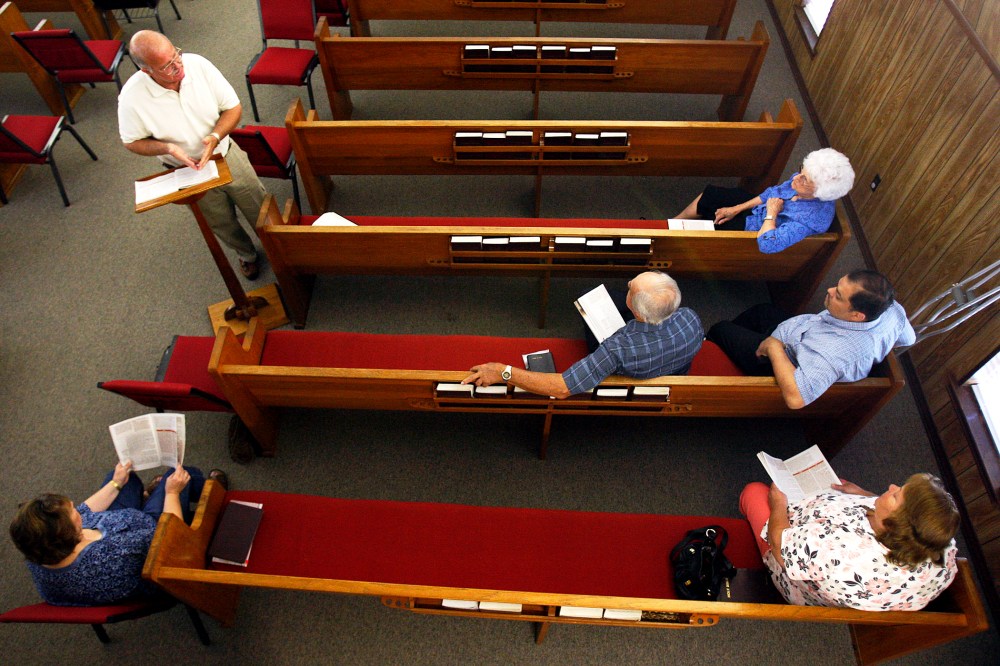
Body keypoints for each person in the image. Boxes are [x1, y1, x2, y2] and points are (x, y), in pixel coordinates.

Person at [118, 30, 266, 279]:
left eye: (176, 54)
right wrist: (167, 148)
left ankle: (279, 250)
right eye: (167, 66)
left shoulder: (199, 65)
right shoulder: (131, 97)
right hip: (186, 170)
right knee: (219, 221)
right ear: (147, 71)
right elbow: (131, 141)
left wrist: (215, 136)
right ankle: (246, 254)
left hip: (225, 152)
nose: (178, 66)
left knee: (258, 205)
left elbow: (233, 107)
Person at [9, 462, 226, 606]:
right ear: (69, 534)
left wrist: (116, 482)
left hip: (117, 526)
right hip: (152, 533)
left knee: (125, 478)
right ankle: (211, 490)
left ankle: (148, 495)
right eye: (72, 513)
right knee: (177, 473)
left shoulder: (38, 549)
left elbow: (87, 511)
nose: (78, 509)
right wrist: (172, 492)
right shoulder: (116, 554)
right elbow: (173, 539)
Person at [463, 271, 703, 398]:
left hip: (629, 360)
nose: (628, 282)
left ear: (638, 313)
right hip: (665, 362)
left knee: (589, 300)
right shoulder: (691, 319)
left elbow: (561, 387)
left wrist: (503, 372)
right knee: (597, 294)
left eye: (631, 287)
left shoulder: (616, 349)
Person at [739, 473, 959, 611]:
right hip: (832, 550)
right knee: (838, 483)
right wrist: (864, 494)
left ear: (894, 525)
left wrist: (778, 504)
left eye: (896, 495)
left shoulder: (839, 554)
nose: (891, 486)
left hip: (795, 573)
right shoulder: (939, 544)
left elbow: (780, 549)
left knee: (754, 491)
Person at [706, 269, 915, 409]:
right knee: (762, 311)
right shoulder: (892, 310)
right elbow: (909, 338)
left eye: (838, 296)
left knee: (721, 329)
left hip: (780, 360)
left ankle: (710, 350)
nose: (829, 290)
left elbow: (796, 398)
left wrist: (774, 348)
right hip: (799, 332)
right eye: (837, 286)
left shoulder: (832, 354)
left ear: (857, 316)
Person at [674, 148, 854, 254]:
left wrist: (771, 214)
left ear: (819, 192)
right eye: (801, 171)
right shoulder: (801, 180)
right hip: (759, 210)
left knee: (711, 228)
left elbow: (768, 244)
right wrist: (736, 208)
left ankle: (673, 237)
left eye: (804, 179)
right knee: (713, 195)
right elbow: (772, 193)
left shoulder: (810, 220)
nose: (796, 179)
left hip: (758, 231)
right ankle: (675, 220)